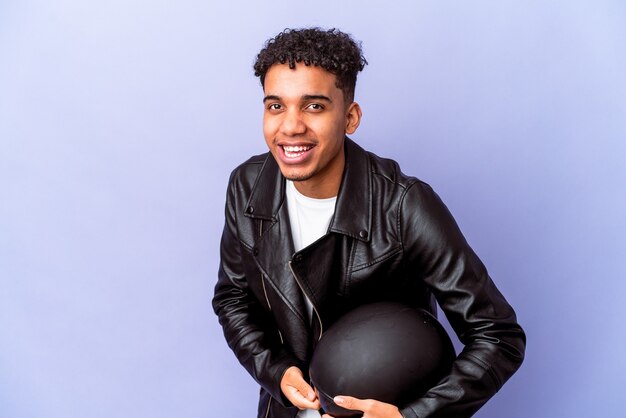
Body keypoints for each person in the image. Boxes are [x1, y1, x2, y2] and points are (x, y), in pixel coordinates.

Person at [213, 27, 526, 418]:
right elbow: (233, 300)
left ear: (350, 117)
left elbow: (499, 336)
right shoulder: (247, 186)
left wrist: (412, 417)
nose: (291, 127)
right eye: (276, 106)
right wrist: (276, 372)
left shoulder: (404, 205)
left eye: (314, 106)